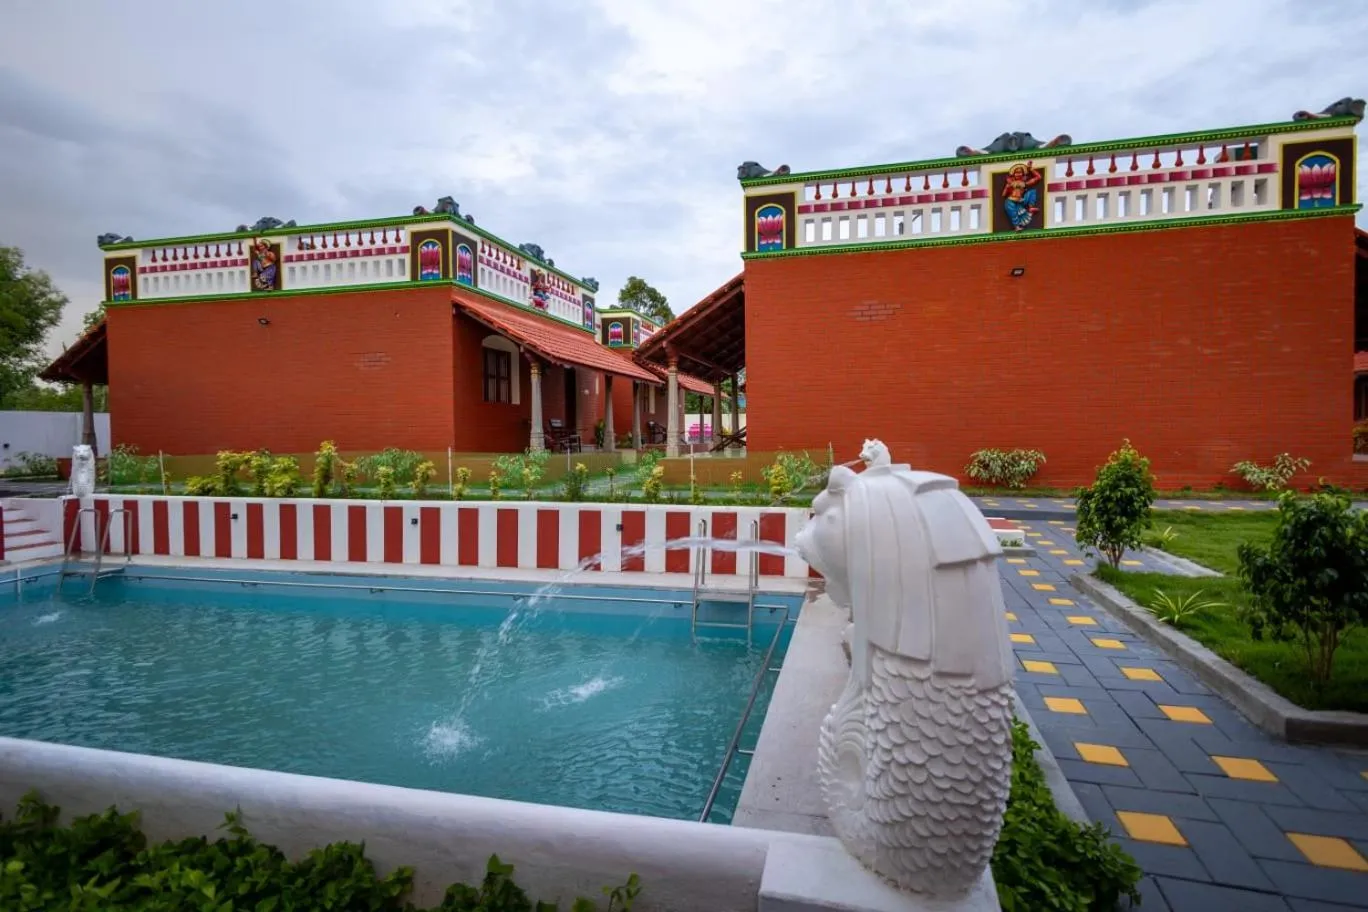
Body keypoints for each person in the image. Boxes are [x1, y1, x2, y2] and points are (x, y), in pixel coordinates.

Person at [1002, 161, 1043, 231]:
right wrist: (1007, 187)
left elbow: (1038, 177)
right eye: (1016, 172)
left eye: (1020, 172)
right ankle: (1017, 226)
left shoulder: (1024, 183)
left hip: (1020, 201)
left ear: (1023, 174)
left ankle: (1031, 207)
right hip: (1010, 201)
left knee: (1032, 192)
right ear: (1013, 174)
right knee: (1013, 213)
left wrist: (1030, 169)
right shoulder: (1011, 183)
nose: (1018, 174)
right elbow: (1003, 195)